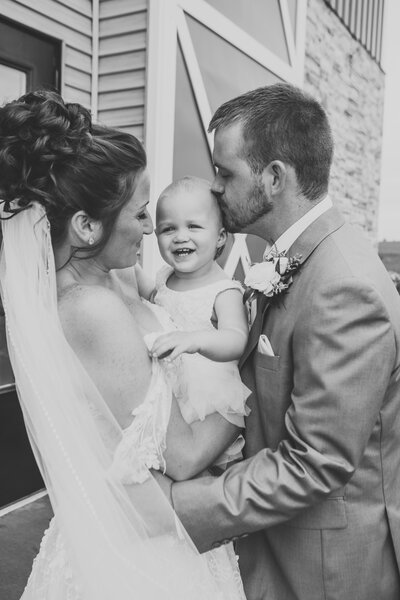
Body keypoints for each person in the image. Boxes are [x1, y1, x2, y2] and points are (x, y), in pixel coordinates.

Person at [0, 90, 246, 599]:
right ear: (87, 226)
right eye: (140, 215)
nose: (149, 230)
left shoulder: (119, 277)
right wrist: (253, 387)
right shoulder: (90, 308)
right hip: (140, 553)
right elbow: (180, 455)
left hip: (161, 526)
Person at [168, 83, 400, 600]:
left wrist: (184, 503)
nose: (215, 188)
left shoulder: (345, 286)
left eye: (226, 173)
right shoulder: (295, 257)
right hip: (274, 544)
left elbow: (315, 460)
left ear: (274, 177)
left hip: (324, 568)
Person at [136, 176, 250, 469]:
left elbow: (236, 338)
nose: (180, 236)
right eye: (168, 228)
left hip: (209, 398)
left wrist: (195, 339)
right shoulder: (163, 277)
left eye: (194, 226)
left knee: (211, 468)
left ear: (221, 237)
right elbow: (154, 297)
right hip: (170, 390)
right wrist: (126, 269)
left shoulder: (223, 289)